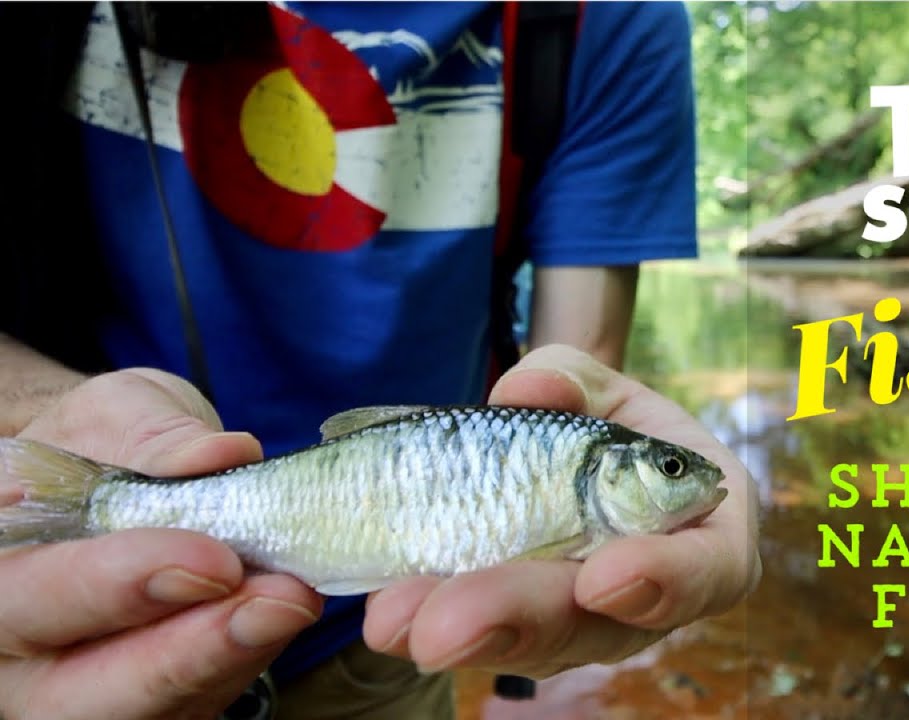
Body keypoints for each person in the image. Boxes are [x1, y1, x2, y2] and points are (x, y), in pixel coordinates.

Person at [0, 2, 761, 719]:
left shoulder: (605, 19)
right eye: (668, 469)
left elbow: (577, 364)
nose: (688, 478)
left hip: (380, 647)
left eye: (668, 469)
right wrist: (30, 409)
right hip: (77, 614)